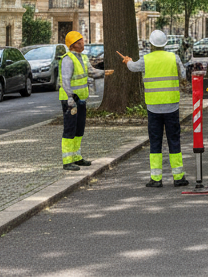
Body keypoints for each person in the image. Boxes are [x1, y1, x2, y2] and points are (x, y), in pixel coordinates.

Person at [117, 29, 189, 188]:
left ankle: (156, 179)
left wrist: (127, 61)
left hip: (153, 108)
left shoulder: (146, 60)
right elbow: (183, 75)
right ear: (165, 44)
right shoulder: (174, 58)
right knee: (174, 140)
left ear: (151, 44)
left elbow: (133, 67)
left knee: (155, 142)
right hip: (171, 106)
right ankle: (178, 177)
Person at [59, 31, 112, 171]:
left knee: (79, 129)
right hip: (71, 100)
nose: (82, 44)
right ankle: (67, 161)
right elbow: (65, 81)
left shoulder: (83, 57)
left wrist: (104, 72)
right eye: (79, 42)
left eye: (82, 41)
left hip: (81, 99)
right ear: (72, 45)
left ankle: (77, 157)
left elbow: (91, 72)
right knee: (70, 129)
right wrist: (70, 97)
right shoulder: (68, 59)